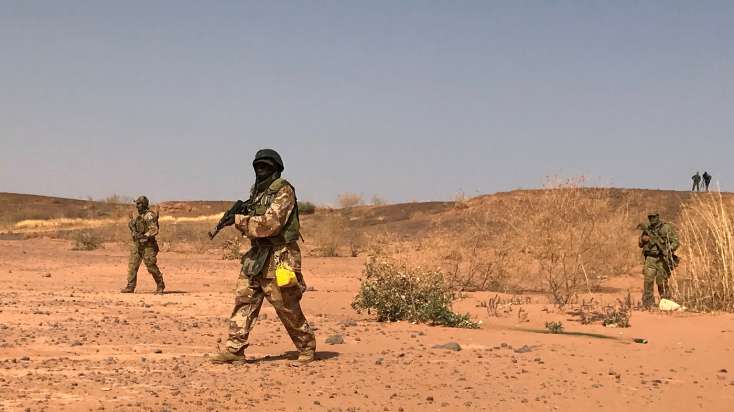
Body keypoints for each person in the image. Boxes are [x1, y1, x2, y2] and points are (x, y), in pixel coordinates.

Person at [210, 149, 316, 365]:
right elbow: (255, 223)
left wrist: (239, 220)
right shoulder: (257, 192)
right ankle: (235, 349)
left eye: (265, 166)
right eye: (257, 166)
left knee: (284, 304)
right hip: (257, 254)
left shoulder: (284, 190)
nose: (260, 169)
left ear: (276, 168)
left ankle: (306, 347)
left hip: (280, 255)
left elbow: (270, 225)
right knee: (244, 299)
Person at [121, 196, 166, 294]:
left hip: (148, 246)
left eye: (139, 204)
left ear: (144, 204)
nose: (137, 206)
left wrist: (145, 236)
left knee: (150, 266)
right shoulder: (138, 216)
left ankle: (160, 285)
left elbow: (154, 230)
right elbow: (134, 228)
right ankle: (130, 286)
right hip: (137, 245)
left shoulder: (149, 216)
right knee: (133, 265)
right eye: (136, 204)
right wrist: (132, 226)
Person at [638, 212, 679, 309]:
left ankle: (666, 302)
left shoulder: (666, 228)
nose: (652, 219)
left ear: (658, 217)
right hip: (650, 258)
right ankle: (648, 304)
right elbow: (640, 244)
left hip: (662, 259)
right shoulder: (647, 229)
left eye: (654, 217)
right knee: (648, 281)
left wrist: (668, 250)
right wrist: (643, 239)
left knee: (662, 281)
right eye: (650, 217)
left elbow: (676, 241)